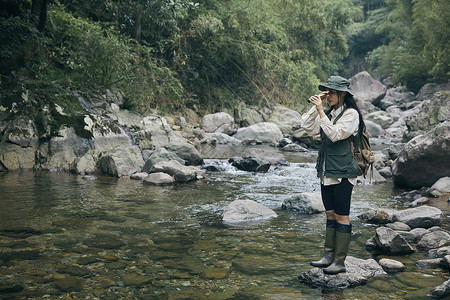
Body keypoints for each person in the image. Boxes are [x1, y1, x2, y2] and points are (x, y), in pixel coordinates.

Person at [301, 76, 365, 275]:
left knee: (341, 217)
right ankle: (327, 256)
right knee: (329, 214)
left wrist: (321, 111)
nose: (328, 96)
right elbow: (306, 127)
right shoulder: (329, 111)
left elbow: (335, 134)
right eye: (326, 93)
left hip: (344, 173)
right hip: (326, 172)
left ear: (342, 94)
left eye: (331, 93)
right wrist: (316, 106)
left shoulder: (351, 114)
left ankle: (340, 261)